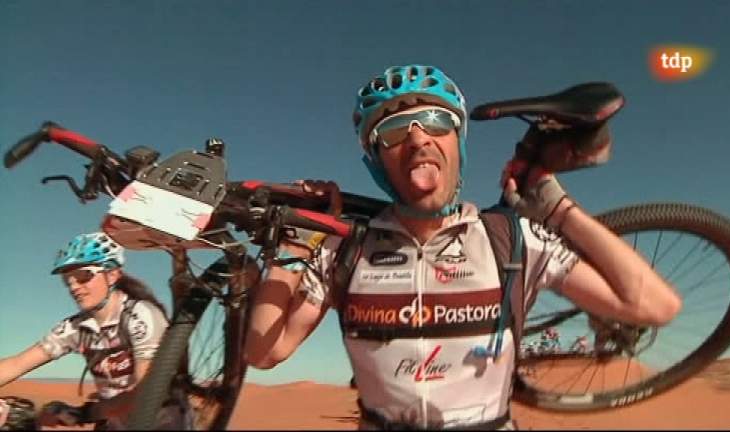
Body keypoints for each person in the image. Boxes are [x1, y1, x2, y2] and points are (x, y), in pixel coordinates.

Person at [244, 64, 682, 430]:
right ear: (377, 159)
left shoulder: (511, 239)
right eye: (393, 130)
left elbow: (654, 307)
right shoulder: (346, 251)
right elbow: (265, 351)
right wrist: (295, 241)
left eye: (436, 121)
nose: (418, 139)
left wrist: (560, 211)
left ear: (458, 141)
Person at [0, 232, 194, 430]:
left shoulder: (141, 316)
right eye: (67, 280)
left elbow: (146, 393)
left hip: (160, 423)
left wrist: (85, 413)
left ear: (112, 275)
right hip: (115, 421)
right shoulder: (75, 328)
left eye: (83, 276)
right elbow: (17, 363)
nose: (74, 287)